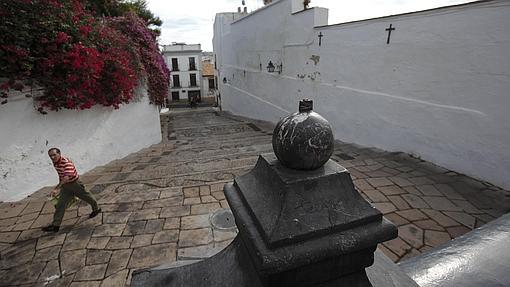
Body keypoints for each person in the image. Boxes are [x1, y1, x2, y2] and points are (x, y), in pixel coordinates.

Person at [42, 148, 101, 232]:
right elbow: (61, 175)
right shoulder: (55, 162)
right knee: (60, 205)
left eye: (54, 155)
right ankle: (55, 226)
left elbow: (66, 177)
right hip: (65, 186)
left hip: (75, 184)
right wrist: (61, 185)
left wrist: (56, 189)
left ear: (59, 153)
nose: (52, 157)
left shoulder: (66, 163)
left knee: (87, 197)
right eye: (50, 156)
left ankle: (96, 209)